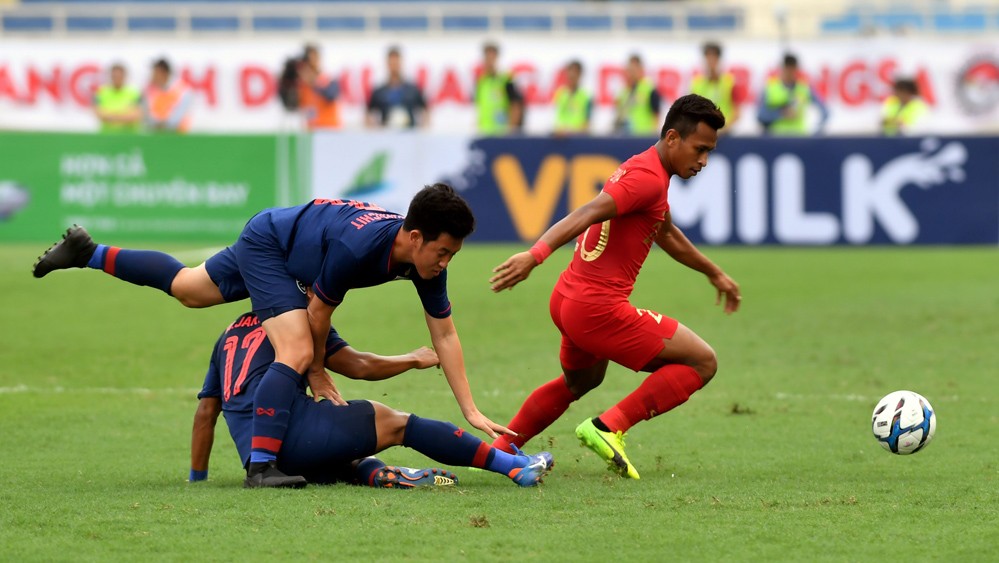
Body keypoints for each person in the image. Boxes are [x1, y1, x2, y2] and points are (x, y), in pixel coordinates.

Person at [33, 183, 513, 487]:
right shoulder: (358, 247)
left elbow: (446, 336)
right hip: (270, 245)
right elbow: (319, 311)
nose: (445, 262)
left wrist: (469, 408)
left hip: (278, 243)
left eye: (452, 254)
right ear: (414, 238)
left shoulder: (427, 265)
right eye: (444, 251)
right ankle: (261, 468)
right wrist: (319, 374)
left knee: (188, 289)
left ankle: (89, 252)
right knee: (299, 347)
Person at [488, 95, 741, 480]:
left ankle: (500, 451)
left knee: (582, 380)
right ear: (673, 138)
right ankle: (608, 427)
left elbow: (666, 232)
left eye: (709, 152)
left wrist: (713, 272)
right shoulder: (647, 179)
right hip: (596, 308)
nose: (704, 160)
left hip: (568, 300)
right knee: (702, 361)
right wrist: (536, 255)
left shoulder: (647, 169)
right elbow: (588, 211)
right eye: (700, 149)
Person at [191, 310, 554, 488]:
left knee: (340, 444)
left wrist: (197, 479)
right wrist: (413, 358)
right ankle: (512, 466)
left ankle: (378, 473)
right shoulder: (295, 316)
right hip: (295, 438)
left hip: (259, 458)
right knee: (396, 423)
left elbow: (206, 412)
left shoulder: (229, 332)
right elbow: (358, 365)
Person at [756, 53, 828, 136]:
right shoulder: (770, 88)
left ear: (796, 69)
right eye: (787, 69)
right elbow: (760, 116)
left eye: (792, 69)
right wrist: (781, 114)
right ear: (782, 68)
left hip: (799, 138)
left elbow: (825, 112)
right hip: (776, 138)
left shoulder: (804, 88)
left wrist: (816, 133)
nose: (789, 73)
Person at [366, 46, 428, 129]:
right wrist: (376, 129)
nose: (394, 66)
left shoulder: (412, 90)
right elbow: (369, 114)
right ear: (387, 64)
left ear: (401, 63)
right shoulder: (379, 92)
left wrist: (422, 129)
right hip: (386, 136)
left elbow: (425, 111)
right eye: (391, 63)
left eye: (396, 63)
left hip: (409, 136)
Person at [690, 42, 745, 133]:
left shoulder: (729, 82)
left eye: (714, 58)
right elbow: (692, 111)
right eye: (708, 57)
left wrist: (723, 128)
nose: (711, 61)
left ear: (719, 59)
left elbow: (737, 112)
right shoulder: (697, 83)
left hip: (725, 134)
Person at [474, 42, 524, 136]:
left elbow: (516, 105)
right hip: (484, 131)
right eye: (487, 56)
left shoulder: (506, 79)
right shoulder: (481, 81)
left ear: (497, 58)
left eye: (492, 56)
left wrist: (511, 130)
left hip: (501, 132)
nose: (489, 60)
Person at [613, 54, 661, 136]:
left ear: (641, 69)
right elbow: (619, 114)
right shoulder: (623, 92)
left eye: (634, 69)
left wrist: (653, 134)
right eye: (630, 70)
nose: (632, 73)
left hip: (644, 135)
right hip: (626, 135)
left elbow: (656, 114)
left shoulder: (649, 89)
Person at [297, 43, 341, 130]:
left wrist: (313, 83)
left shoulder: (328, 79)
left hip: (329, 129)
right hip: (312, 131)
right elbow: (296, 106)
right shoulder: (302, 86)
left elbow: (331, 95)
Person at [143, 58, 193, 133]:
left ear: (164, 73)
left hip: (178, 136)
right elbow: (147, 114)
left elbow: (179, 116)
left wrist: (164, 124)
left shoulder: (182, 90)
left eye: (155, 72)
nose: (152, 75)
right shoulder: (150, 90)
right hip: (156, 135)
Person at [93, 63, 142, 134]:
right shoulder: (101, 92)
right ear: (111, 76)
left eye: (119, 76)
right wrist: (124, 115)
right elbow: (99, 114)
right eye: (114, 76)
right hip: (107, 135)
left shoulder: (134, 92)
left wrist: (111, 116)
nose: (117, 78)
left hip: (129, 135)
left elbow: (136, 114)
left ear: (124, 76)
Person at [552, 60, 593, 136]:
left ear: (580, 75)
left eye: (576, 72)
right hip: (559, 139)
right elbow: (553, 117)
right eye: (570, 71)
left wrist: (570, 132)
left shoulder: (587, 97)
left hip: (578, 139)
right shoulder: (559, 94)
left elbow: (587, 123)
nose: (572, 75)